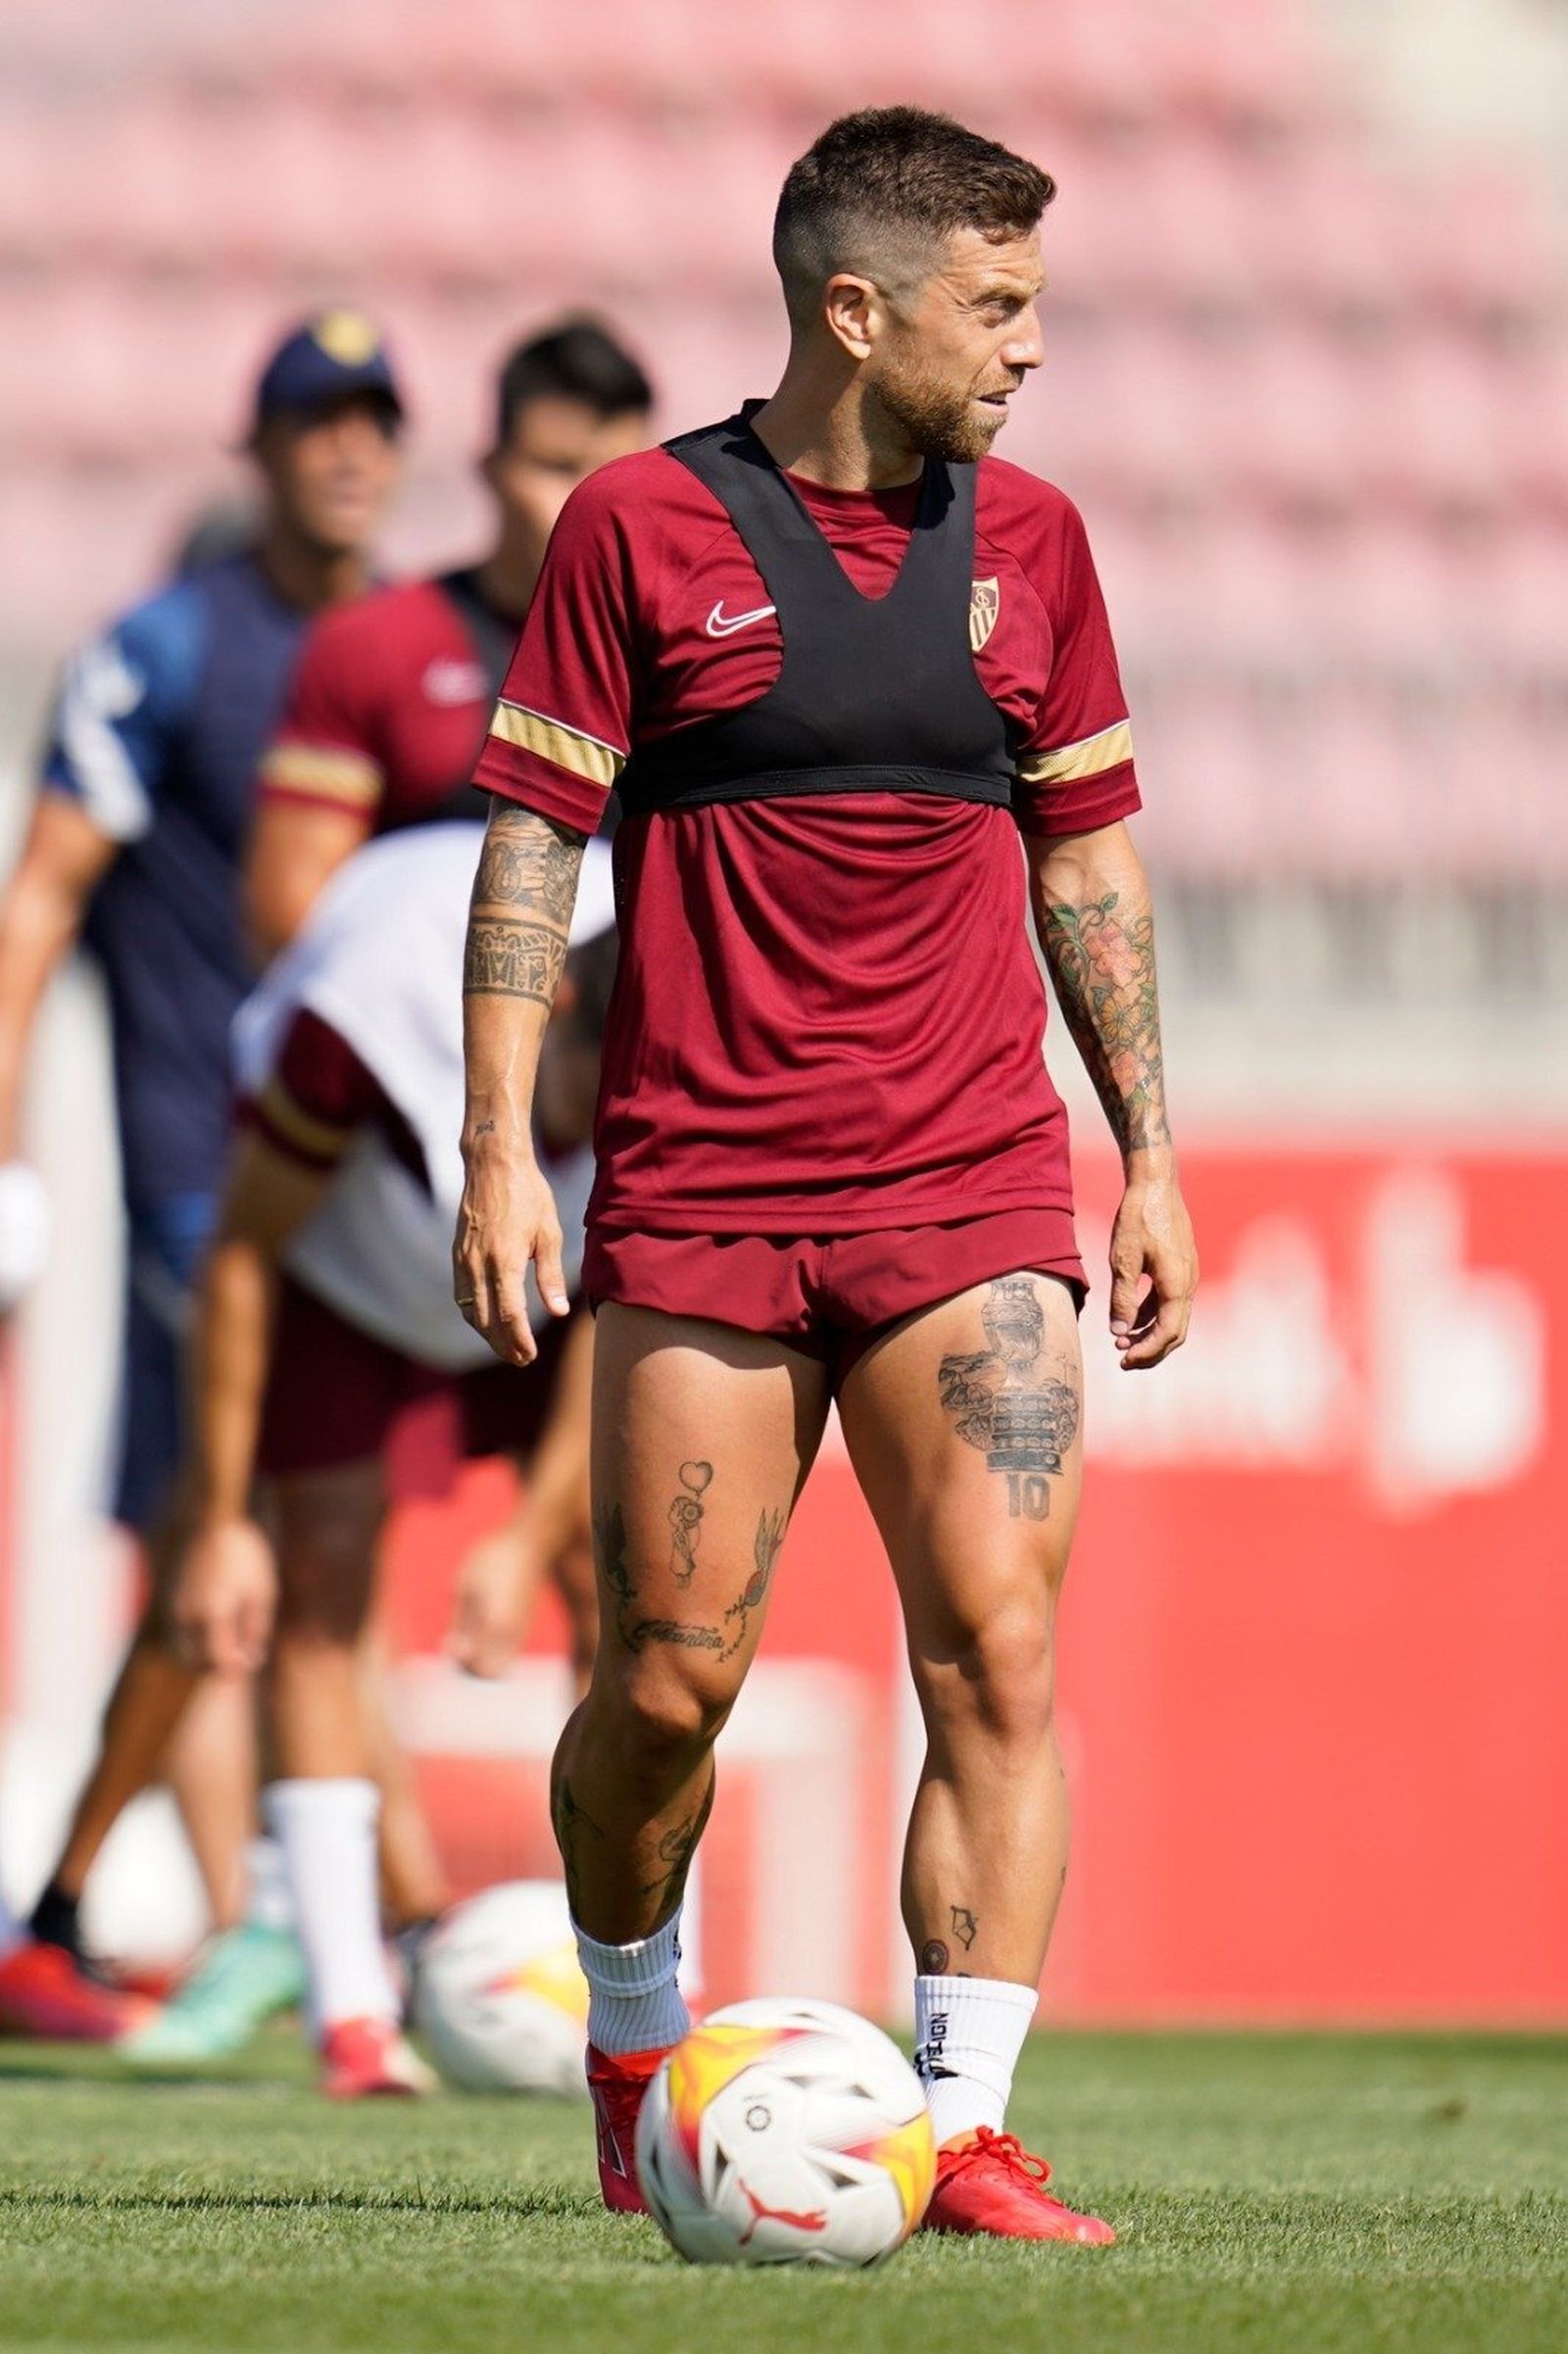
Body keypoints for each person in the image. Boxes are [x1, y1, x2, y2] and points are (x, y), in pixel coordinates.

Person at [454, 107, 1199, 2243]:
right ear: (851, 310)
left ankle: (958, 2124)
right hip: (698, 1182)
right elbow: (532, 848)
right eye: (995, 304)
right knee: (671, 1678)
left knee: (996, 1651)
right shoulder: (632, 526)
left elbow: (1087, 857)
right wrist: (500, 1143)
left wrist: (1145, 1150)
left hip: (968, 1181)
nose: (1027, 346)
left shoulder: (1036, 543)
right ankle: (629, 2033)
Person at [0, 314, 406, 2042]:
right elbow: (39, 900)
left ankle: (161, 1908)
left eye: (374, 420)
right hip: (199, 1184)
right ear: (259, 447)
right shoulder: (167, 651)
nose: (348, 450)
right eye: (316, 420)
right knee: (239, 1545)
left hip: (361, 1189)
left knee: (279, 1551)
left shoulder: (418, 655)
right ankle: (321, 1919)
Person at [172, 824, 615, 2094]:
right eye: (592, 1076)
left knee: (625, 1568)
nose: (597, 1120)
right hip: (344, 1269)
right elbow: (245, 1249)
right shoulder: (360, 1023)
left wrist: (529, 1536)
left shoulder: (695, 1046)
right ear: (556, 1002)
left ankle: (640, 1981)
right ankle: (353, 2011)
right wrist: (218, 1513)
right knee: (318, 1574)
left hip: (545, 1285)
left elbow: (626, 1308)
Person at [248, 317, 652, 956]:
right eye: (556, 469)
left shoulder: (697, 656)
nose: (587, 503)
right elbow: (288, 928)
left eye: (614, 475)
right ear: (490, 468)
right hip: (427, 1043)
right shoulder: (376, 642)